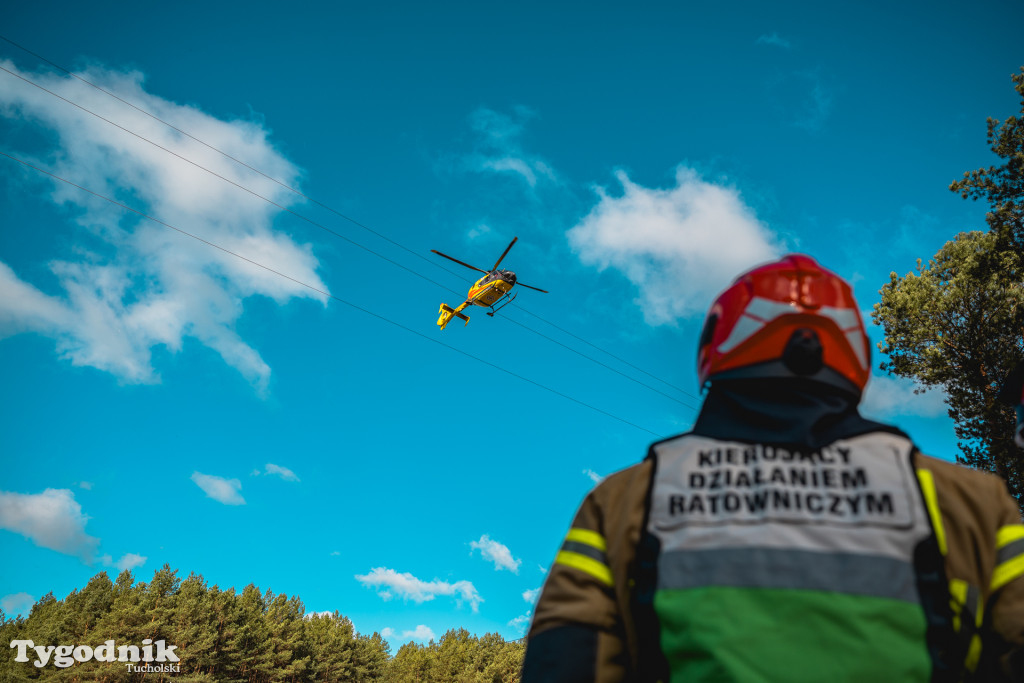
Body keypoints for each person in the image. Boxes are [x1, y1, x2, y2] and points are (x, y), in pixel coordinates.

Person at [521, 254, 1024, 682]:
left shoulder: (627, 499)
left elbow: (564, 656)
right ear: (855, 355)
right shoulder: (974, 501)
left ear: (718, 343)